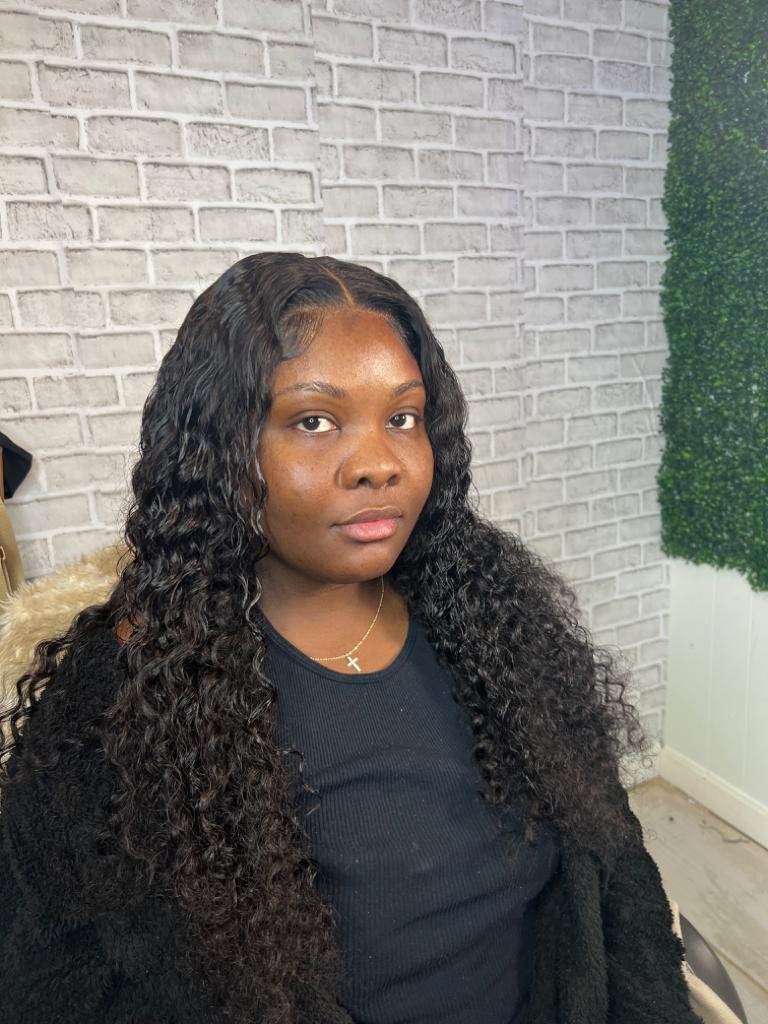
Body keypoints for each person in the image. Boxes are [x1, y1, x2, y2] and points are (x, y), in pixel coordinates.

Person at [0, 252, 703, 1024]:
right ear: (220, 450)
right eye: (314, 421)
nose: (379, 464)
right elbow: (53, 975)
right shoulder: (132, 695)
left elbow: (614, 863)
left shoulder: (491, 620)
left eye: (403, 418)